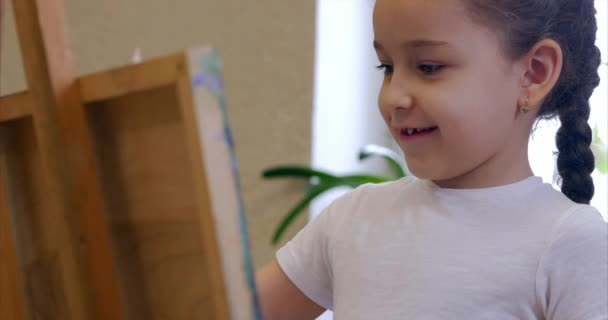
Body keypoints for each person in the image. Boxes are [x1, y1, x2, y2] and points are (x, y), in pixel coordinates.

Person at [255, 0, 608, 319]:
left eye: (428, 67)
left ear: (534, 73)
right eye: (387, 67)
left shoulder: (570, 241)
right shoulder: (353, 219)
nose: (393, 96)